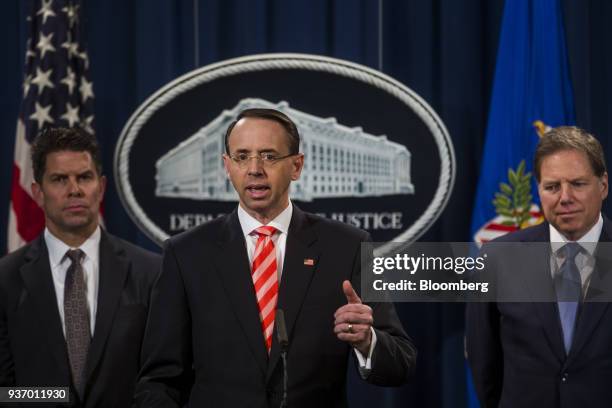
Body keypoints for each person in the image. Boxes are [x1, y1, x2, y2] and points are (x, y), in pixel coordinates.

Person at [135, 108, 416, 407]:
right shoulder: (186, 253)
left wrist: (367, 341)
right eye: (242, 157)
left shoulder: (348, 246)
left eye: (269, 156)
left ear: (296, 166)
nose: (254, 168)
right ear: (227, 167)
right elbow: (160, 381)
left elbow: (401, 364)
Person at [0, 127, 160, 407]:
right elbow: (4, 390)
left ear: (101, 187)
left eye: (84, 177)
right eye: (60, 179)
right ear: (37, 192)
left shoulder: (150, 272)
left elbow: (162, 378)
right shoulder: (5, 279)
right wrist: (54, 397)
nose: (74, 189)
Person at [466, 126, 612, 407]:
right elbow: (485, 364)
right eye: (552, 187)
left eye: (578, 184)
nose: (565, 197)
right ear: (539, 190)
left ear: (603, 185)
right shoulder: (496, 259)